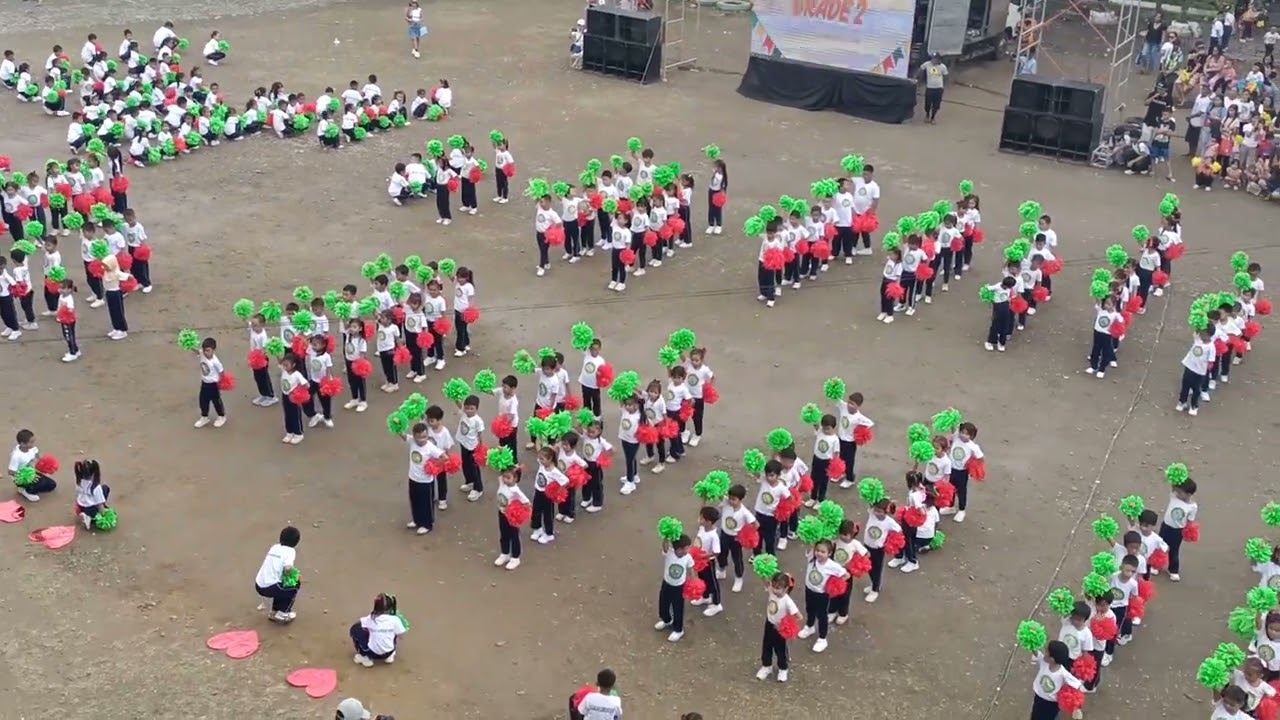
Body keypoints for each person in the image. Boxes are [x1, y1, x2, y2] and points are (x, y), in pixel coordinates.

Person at [255, 526, 302, 623]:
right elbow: (287, 568)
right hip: (270, 588)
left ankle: (274, 611)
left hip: (259, 584)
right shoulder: (290, 551)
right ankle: (283, 614)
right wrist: (293, 577)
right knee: (294, 584)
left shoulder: (275, 547)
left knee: (281, 585)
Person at [350, 593, 408, 667]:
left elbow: (359, 623)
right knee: (394, 631)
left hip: (372, 653)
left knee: (355, 629)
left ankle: (365, 658)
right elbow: (401, 635)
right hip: (389, 651)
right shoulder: (395, 620)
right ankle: (389, 657)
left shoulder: (371, 618)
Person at [917, 53, 948, 123]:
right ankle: (927, 114)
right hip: (930, 88)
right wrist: (918, 78)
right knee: (927, 103)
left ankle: (933, 117)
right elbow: (920, 69)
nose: (933, 60)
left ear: (938, 59)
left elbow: (946, 76)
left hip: (939, 88)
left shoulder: (943, 67)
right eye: (932, 58)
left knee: (936, 104)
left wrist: (944, 86)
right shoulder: (927, 64)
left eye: (935, 59)